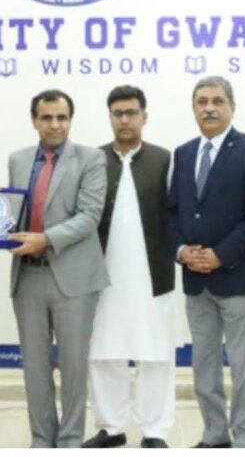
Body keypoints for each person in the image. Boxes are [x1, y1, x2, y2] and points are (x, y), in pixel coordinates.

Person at [168, 75, 245, 448]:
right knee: (204, 365)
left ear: (232, 106)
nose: (209, 108)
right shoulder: (183, 153)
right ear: (193, 108)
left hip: (239, 276)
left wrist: (220, 254)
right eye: (202, 102)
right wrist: (182, 251)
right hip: (196, 280)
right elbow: (173, 212)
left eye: (217, 101)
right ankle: (215, 436)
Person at [8, 88, 108, 448]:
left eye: (61, 117)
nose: (55, 124)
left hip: (74, 278)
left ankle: (69, 440)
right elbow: (14, 211)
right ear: (34, 120)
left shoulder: (91, 158)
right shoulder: (18, 160)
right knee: (34, 366)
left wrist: (45, 239)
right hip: (28, 276)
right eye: (47, 117)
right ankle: (41, 439)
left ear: (70, 120)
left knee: (73, 366)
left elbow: (90, 216)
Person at [83, 85, 175, 449]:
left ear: (144, 117)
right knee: (103, 351)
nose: (125, 119)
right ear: (110, 117)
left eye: (131, 112)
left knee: (156, 353)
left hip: (153, 273)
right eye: (118, 113)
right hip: (101, 275)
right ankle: (111, 426)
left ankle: (155, 430)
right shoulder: (93, 159)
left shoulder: (165, 160)